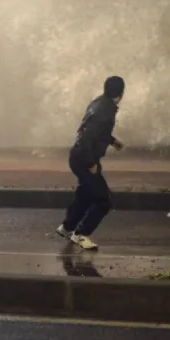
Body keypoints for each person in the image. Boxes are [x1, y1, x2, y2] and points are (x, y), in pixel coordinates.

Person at [56, 76, 126, 250]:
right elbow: (87, 136)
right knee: (103, 200)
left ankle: (67, 227)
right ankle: (80, 234)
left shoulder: (99, 103)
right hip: (84, 159)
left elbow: (93, 131)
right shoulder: (105, 110)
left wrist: (112, 140)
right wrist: (91, 162)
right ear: (121, 93)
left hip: (79, 157)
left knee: (86, 195)